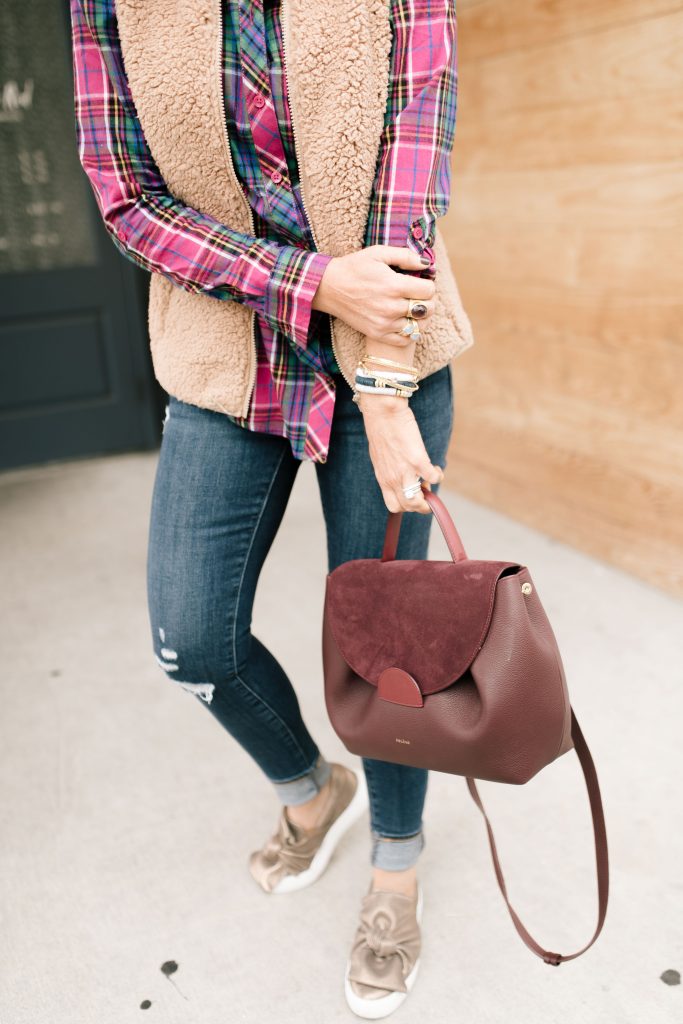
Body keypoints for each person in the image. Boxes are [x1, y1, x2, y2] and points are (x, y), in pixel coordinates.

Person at [70, 0, 472, 1016]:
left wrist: (382, 383)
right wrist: (307, 281)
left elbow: (411, 156)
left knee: (384, 646)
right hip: (221, 356)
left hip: (385, 334)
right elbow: (127, 201)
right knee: (191, 637)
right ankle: (310, 786)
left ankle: (394, 863)